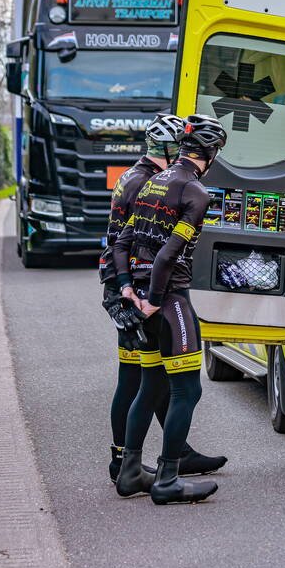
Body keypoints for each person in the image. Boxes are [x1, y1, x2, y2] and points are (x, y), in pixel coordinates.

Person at [99, 114, 225, 486]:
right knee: (153, 382)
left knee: (145, 380)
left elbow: (121, 239)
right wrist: (149, 297)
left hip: (127, 286)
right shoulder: (187, 189)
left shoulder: (143, 179)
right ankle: (148, 469)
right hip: (158, 295)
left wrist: (123, 286)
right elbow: (167, 254)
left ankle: (133, 465)